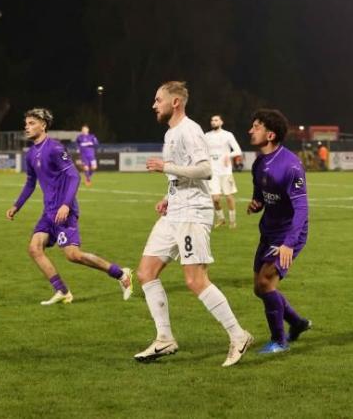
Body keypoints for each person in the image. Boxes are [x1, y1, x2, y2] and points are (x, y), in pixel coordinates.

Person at [133, 81, 253, 367]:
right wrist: (167, 196)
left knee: (194, 280)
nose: (154, 104)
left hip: (193, 213)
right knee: (146, 272)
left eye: (158, 99)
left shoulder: (190, 129)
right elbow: (181, 177)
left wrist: (166, 167)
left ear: (175, 102)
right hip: (175, 210)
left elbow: (205, 170)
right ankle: (164, 338)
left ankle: (239, 335)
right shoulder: (171, 133)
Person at [6, 108, 133, 305]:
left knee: (73, 256)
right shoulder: (30, 154)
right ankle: (62, 291)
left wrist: (66, 205)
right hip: (48, 212)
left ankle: (121, 274)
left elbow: (74, 176)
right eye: (26, 123)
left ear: (43, 125)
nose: (27, 127)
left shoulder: (55, 148)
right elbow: (31, 183)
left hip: (64, 210)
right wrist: (17, 205)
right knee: (34, 248)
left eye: (32, 123)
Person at [247, 108, 311, 354]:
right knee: (259, 288)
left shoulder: (291, 166)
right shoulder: (259, 163)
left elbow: (301, 208)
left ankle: (279, 341)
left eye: (256, 127)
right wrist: (257, 204)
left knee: (265, 283)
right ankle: (297, 323)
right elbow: (260, 193)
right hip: (269, 231)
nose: (251, 131)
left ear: (270, 135)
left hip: (288, 234)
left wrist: (289, 243)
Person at [204, 114, 242, 228]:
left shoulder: (228, 135)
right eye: (212, 120)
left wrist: (228, 155)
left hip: (225, 171)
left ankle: (232, 221)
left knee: (229, 196)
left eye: (216, 120)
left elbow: (238, 151)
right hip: (213, 172)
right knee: (215, 199)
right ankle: (221, 219)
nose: (213, 122)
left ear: (221, 122)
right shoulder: (207, 136)